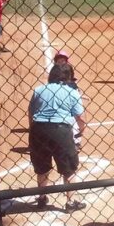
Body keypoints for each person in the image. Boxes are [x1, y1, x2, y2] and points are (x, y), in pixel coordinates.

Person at [28, 64, 87, 213]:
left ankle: (41, 199)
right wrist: (81, 131)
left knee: (42, 167)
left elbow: (31, 114)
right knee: (68, 168)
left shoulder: (38, 90)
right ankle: (70, 202)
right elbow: (80, 117)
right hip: (61, 131)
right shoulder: (71, 92)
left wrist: (35, 130)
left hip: (38, 130)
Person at [54, 50, 83, 152]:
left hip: (68, 100)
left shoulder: (69, 71)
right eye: (59, 60)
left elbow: (73, 83)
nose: (61, 62)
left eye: (63, 60)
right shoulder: (55, 74)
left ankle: (76, 142)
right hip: (59, 100)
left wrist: (79, 93)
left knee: (73, 120)